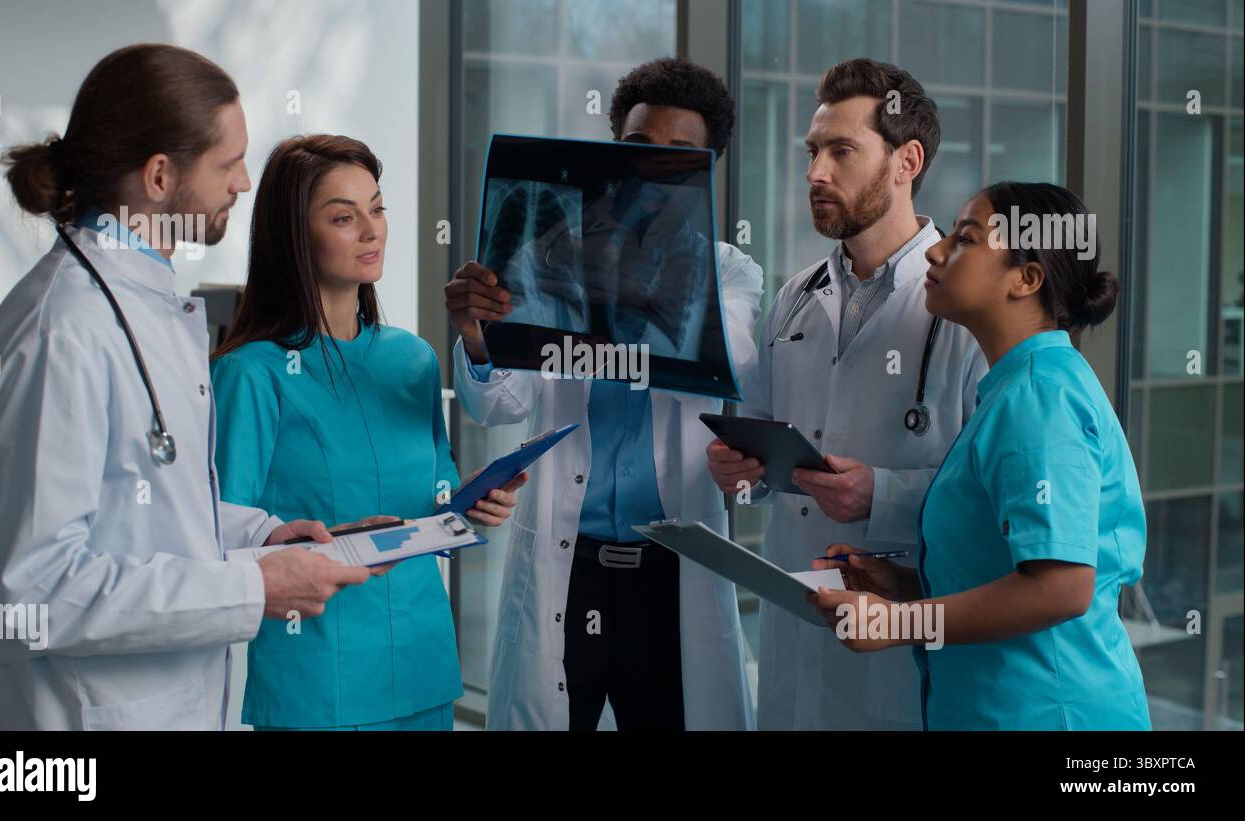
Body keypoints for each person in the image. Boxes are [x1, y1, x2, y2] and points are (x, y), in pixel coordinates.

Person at [0, 44, 374, 731]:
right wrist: (251, 586)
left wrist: (264, 537)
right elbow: (34, 591)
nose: (244, 182)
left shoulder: (144, 304)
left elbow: (143, 512)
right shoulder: (62, 331)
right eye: (228, 163)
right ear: (159, 176)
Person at [446, 57, 763, 730]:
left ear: (707, 169)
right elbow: (497, 403)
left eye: (678, 155)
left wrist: (622, 268)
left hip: (670, 575)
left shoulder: (729, 272)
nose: (651, 169)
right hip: (571, 563)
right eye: (638, 147)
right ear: (612, 150)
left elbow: (723, 356)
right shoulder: (547, 259)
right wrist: (477, 333)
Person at [705, 58, 986, 730]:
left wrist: (881, 494)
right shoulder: (794, 297)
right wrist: (740, 471)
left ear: (906, 161)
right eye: (812, 152)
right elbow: (763, 440)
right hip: (794, 638)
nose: (815, 173)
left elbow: (988, 494)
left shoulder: (966, 306)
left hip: (901, 653)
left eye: (841, 151)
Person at [211, 134, 525, 731]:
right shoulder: (250, 374)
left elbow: (435, 501)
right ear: (294, 235)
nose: (371, 230)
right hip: (318, 682)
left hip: (423, 665)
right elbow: (219, 537)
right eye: (343, 217)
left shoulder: (413, 359)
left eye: (376, 209)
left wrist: (474, 503)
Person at [812, 182, 1151, 730]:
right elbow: (1010, 567)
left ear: (1026, 279)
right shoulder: (1016, 388)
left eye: (966, 239)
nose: (936, 250)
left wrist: (900, 622)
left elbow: (1060, 588)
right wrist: (906, 585)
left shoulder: (1039, 398)